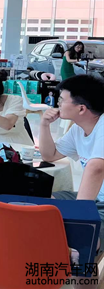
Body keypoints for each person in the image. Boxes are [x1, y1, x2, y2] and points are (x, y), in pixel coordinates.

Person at [38, 75, 104, 252]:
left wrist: (80, 216)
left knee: (82, 237)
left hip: (97, 203)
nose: (57, 103)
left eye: (62, 99)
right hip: (94, 199)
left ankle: (81, 259)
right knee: (39, 202)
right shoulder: (78, 129)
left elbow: (96, 167)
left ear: (81, 108)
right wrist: (44, 124)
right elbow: (50, 155)